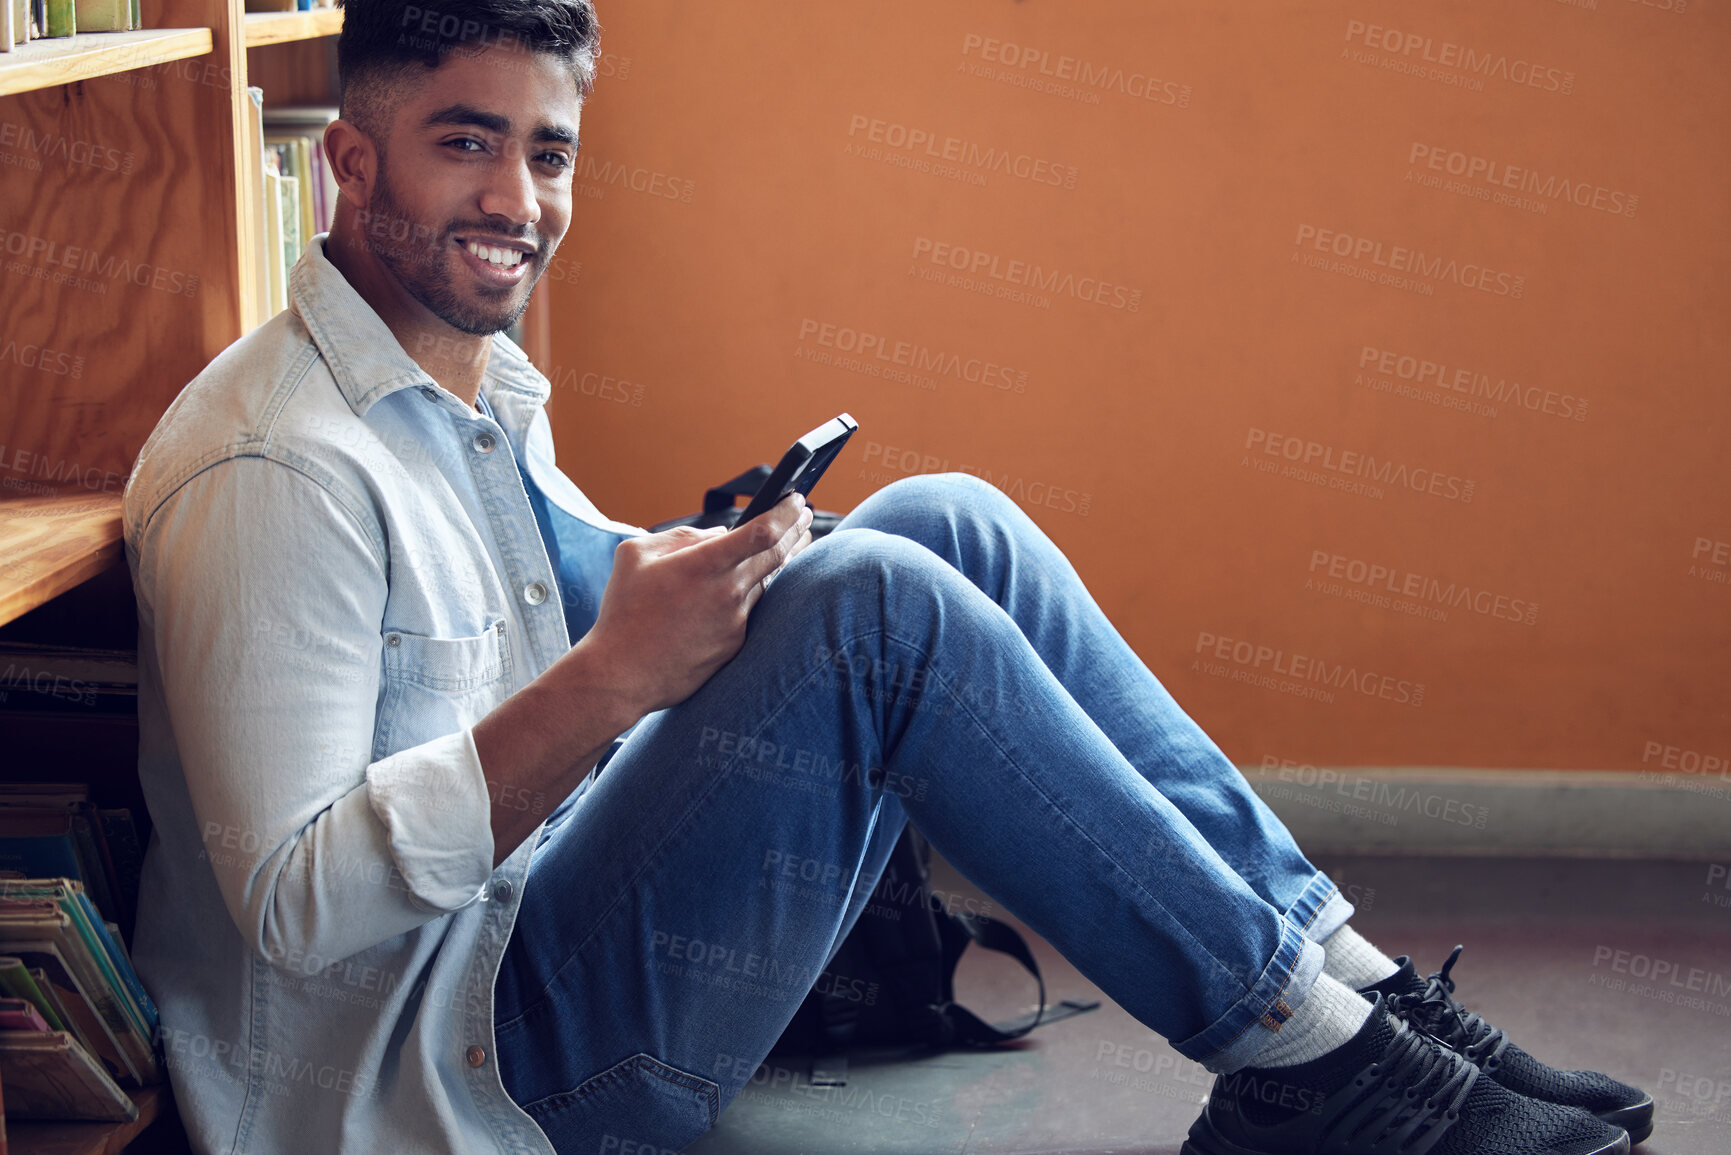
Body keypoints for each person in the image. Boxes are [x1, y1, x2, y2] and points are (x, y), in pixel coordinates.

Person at [119, 2, 1652, 1152]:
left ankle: (1358, 1005)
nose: (517, 199)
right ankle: (1320, 1075)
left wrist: (683, 580)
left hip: (540, 924)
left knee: (940, 524)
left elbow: (552, 608)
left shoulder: (463, 385)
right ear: (346, 162)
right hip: (462, 1078)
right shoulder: (280, 470)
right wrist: (617, 676)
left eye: (549, 149)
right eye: (467, 143)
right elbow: (296, 909)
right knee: (877, 611)